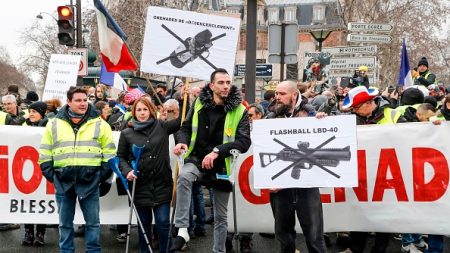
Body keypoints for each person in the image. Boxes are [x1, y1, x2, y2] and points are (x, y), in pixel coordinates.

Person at [171, 68, 251, 252]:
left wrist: (217, 151)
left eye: (228, 82)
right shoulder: (199, 103)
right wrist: (182, 142)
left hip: (221, 166)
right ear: (211, 85)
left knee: (221, 217)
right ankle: (182, 229)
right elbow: (185, 128)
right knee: (184, 176)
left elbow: (244, 141)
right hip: (197, 159)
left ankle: (219, 250)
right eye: (221, 83)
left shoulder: (240, 110)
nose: (225, 86)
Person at [38, 86, 116, 252]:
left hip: (90, 183)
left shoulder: (101, 124)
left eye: (85, 100)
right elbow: (44, 154)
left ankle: (93, 251)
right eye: (78, 100)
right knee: (65, 224)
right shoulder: (53, 124)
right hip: (63, 182)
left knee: (93, 224)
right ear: (68, 102)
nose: (83, 103)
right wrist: (54, 176)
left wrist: (99, 177)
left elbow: (109, 155)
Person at [341, 86, 406, 253]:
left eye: (356, 108)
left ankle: (379, 249)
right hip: (361, 175)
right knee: (359, 213)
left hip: (387, 174)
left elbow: (414, 135)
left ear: (369, 103)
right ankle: (355, 248)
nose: (354, 111)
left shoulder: (393, 115)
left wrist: (433, 125)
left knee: (383, 217)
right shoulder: (352, 119)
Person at [265, 80, 327, 253]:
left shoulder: (311, 114)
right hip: (280, 188)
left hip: (306, 187)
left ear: (294, 95)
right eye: (276, 93)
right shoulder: (271, 116)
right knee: (284, 236)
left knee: (314, 236)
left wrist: (323, 122)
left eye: (282, 94)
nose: (277, 97)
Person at [117, 97, 180, 253]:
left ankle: (166, 251)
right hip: (140, 185)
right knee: (143, 225)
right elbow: (121, 157)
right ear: (134, 112)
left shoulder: (162, 126)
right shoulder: (126, 133)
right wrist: (127, 171)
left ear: (151, 110)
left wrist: (185, 98)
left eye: (145, 109)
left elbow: (182, 122)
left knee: (163, 222)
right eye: (139, 110)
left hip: (162, 183)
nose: (142, 113)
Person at [22, 101, 49, 245]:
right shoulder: (23, 126)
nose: (31, 114)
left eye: (34, 111)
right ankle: (28, 232)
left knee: (41, 200)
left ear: (42, 113)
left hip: (43, 168)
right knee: (27, 200)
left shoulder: (49, 126)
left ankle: (40, 232)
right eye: (30, 111)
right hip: (27, 168)